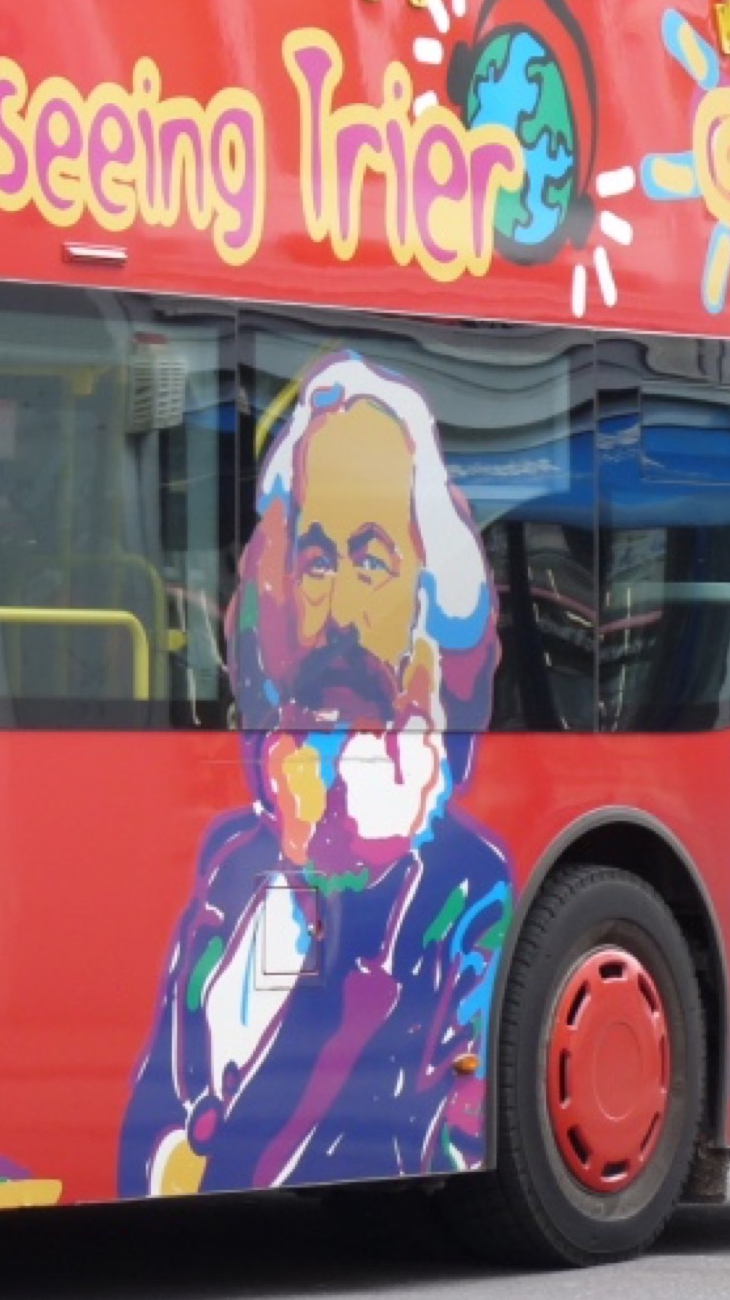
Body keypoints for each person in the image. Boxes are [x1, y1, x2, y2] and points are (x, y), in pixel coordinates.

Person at [119, 351, 513, 1196]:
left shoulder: (466, 902)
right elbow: (145, 1133)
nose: (335, 615)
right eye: (317, 561)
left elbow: (443, 1141)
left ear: (429, 604)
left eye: (372, 561)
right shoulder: (231, 865)